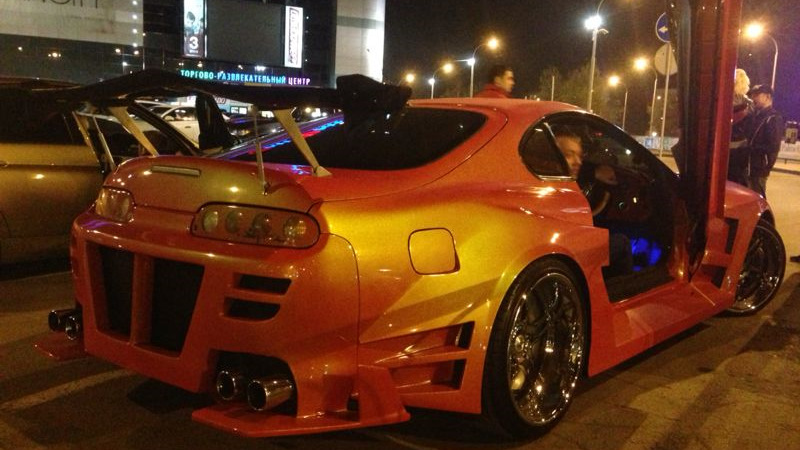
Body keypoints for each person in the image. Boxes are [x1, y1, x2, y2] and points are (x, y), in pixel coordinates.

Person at [553, 128, 632, 277]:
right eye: (569, 155)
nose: (578, 162)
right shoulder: (559, 185)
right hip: (568, 253)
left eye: (579, 156)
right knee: (622, 243)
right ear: (553, 156)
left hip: (563, 248)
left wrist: (593, 172)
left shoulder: (556, 179)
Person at [744, 84, 784, 197]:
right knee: (749, 198)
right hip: (749, 166)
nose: (753, 98)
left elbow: (773, 146)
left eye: (757, 95)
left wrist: (751, 149)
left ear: (767, 97)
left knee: (758, 198)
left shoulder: (773, 118)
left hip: (759, 168)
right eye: (752, 95)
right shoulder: (756, 116)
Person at [728, 68, 754, 186]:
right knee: (739, 181)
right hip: (742, 147)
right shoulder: (750, 104)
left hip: (726, 145)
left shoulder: (724, 101)